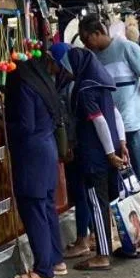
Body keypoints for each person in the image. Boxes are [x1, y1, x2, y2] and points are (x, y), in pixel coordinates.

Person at [65, 45, 131, 272]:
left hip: (95, 155)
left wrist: (110, 153)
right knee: (112, 200)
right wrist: (121, 143)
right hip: (110, 148)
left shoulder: (84, 90)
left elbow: (100, 121)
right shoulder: (102, 85)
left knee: (97, 203)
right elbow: (115, 115)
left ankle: (103, 254)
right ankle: (124, 245)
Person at [4, 54, 66, 278]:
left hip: (32, 155)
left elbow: (25, 125)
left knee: (34, 209)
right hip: (47, 149)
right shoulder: (43, 84)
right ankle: (56, 261)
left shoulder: (23, 87)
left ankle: (43, 270)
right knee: (47, 207)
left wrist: (4, 125)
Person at [78, 16, 140, 181]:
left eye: (87, 39)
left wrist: (139, 99)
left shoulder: (127, 47)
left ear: (98, 33)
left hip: (131, 122)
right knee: (123, 178)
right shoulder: (93, 58)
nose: (86, 44)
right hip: (111, 126)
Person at [49, 42, 91, 260]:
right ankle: (88, 236)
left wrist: (69, 146)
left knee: (80, 193)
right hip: (80, 145)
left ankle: (83, 239)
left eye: (54, 62)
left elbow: (69, 119)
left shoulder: (70, 85)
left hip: (76, 146)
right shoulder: (69, 82)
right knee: (83, 192)